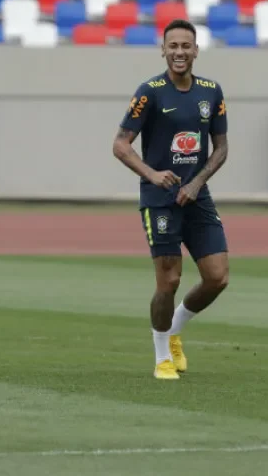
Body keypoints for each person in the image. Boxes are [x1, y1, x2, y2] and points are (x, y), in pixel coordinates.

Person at [112, 19, 230, 381]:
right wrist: (152, 174)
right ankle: (162, 354)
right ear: (163, 50)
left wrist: (197, 183)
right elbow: (120, 144)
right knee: (169, 280)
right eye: (173, 46)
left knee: (218, 277)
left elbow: (221, 148)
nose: (180, 52)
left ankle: (175, 327)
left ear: (196, 50)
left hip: (196, 196)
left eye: (186, 46)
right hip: (159, 200)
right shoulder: (150, 92)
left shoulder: (211, 92)